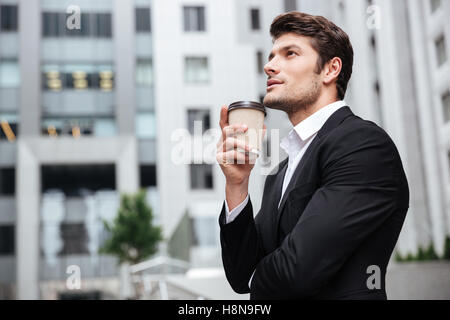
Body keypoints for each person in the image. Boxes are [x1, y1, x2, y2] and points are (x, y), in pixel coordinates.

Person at [216, 11, 409, 300]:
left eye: (289, 54)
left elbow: (297, 271)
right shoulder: (280, 172)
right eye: (270, 56)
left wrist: (260, 273)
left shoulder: (362, 145)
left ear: (330, 70)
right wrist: (237, 185)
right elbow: (241, 276)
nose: (269, 66)